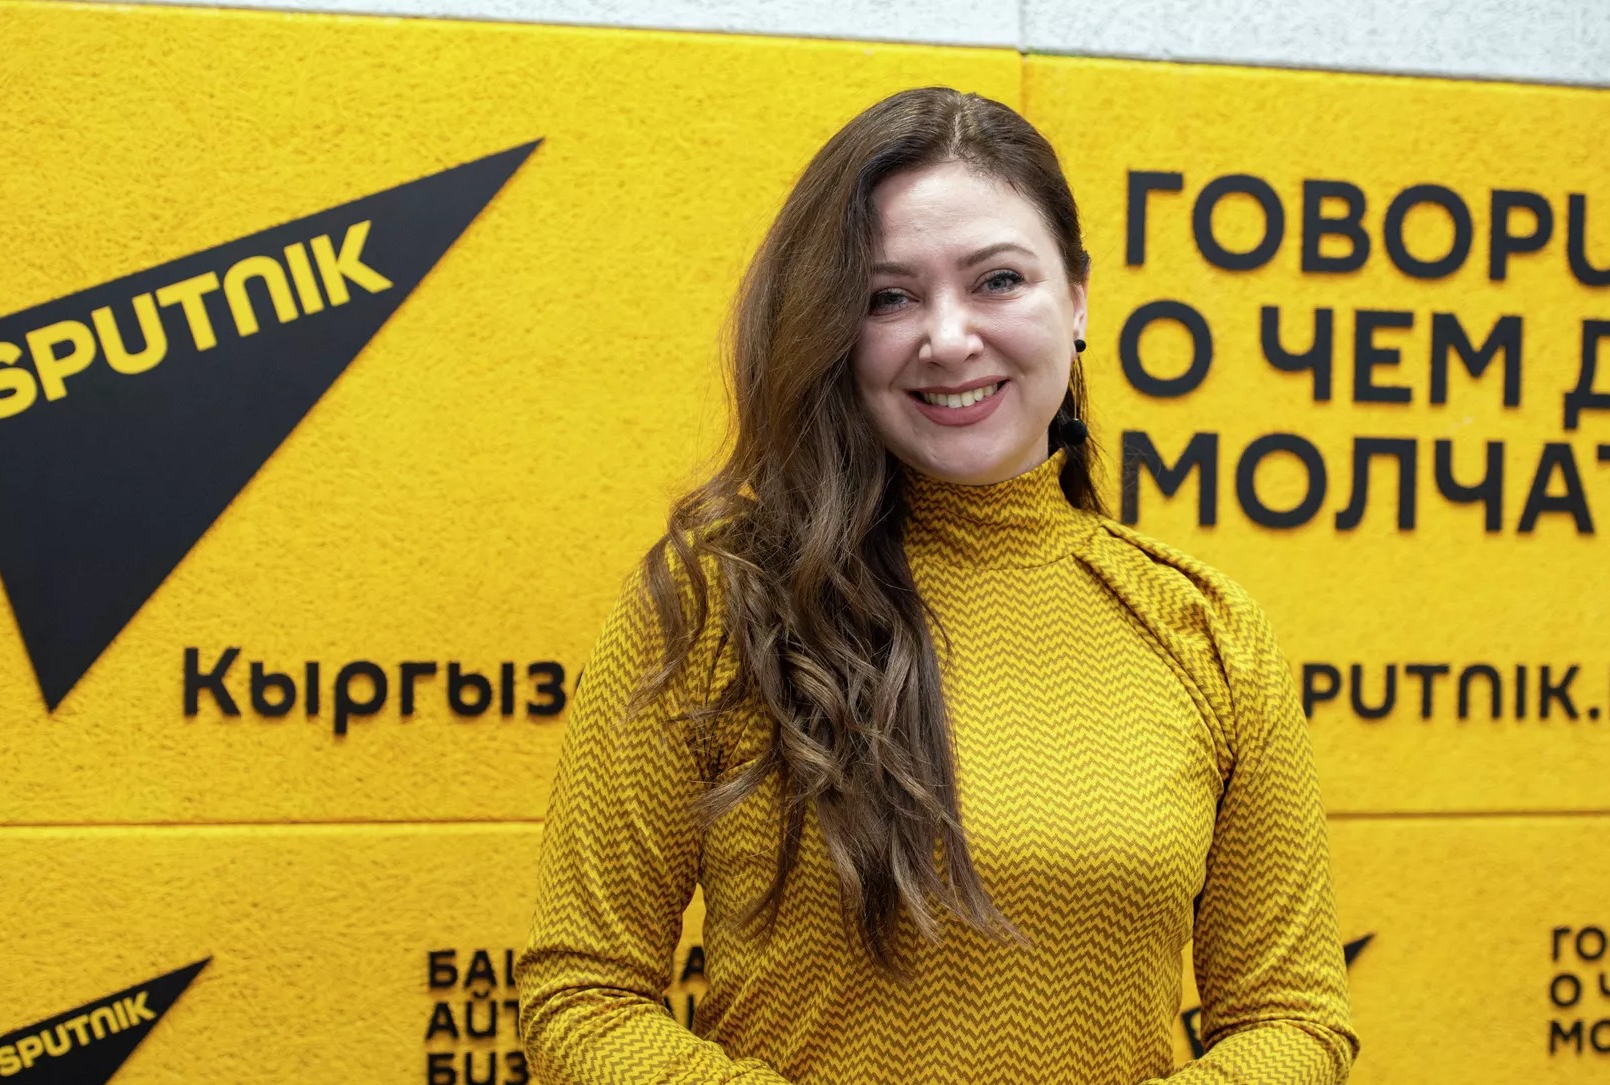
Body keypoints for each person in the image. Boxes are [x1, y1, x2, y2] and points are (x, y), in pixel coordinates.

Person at [520, 86, 1359, 1084]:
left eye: (998, 279)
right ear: (835, 327)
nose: (949, 338)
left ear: (1078, 298)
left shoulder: (1208, 630)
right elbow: (583, 994)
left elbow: (1292, 1016)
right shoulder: (719, 602)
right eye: (889, 297)